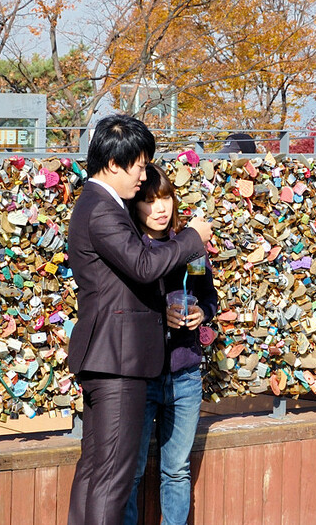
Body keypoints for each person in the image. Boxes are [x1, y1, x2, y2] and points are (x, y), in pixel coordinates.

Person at [66, 114, 212, 525]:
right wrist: (192, 237)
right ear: (114, 163)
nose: (143, 176)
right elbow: (145, 265)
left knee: (97, 472)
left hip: (112, 359)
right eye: (140, 165)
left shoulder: (101, 205)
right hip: (118, 362)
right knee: (111, 478)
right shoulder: (102, 209)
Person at [122, 163, 218, 525]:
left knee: (176, 470)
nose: (160, 208)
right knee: (130, 472)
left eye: (165, 199)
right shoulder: (132, 249)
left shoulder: (190, 248)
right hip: (141, 375)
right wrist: (160, 312)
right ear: (136, 206)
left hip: (185, 373)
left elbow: (209, 297)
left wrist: (202, 315)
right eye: (149, 201)